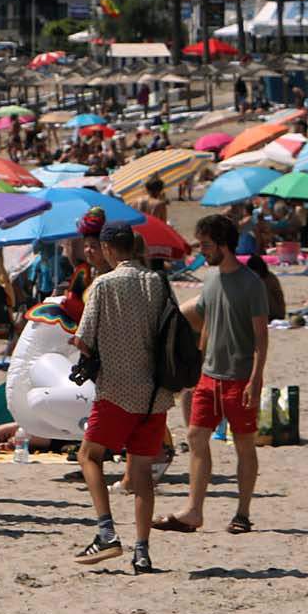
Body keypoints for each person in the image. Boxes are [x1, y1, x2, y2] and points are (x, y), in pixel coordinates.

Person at [72, 224, 176, 573]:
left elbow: (84, 338)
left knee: (88, 456)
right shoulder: (158, 282)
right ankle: (142, 551)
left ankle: (106, 532)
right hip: (155, 393)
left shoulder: (104, 284)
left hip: (116, 389)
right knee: (142, 471)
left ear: (107, 249)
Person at [158, 215, 270, 536]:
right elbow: (207, 323)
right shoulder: (210, 280)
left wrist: (256, 378)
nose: (202, 251)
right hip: (209, 376)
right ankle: (193, 511)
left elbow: (261, 336)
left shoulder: (251, 284)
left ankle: (243, 514)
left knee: (244, 444)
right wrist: (197, 364)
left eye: (206, 245)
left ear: (223, 245)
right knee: (196, 437)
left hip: (240, 377)